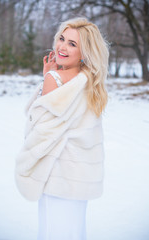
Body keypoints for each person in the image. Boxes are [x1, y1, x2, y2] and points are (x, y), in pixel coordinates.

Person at [15, 17, 109, 240]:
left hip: (56, 175)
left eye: (72, 44)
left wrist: (47, 77)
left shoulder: (55, 78)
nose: (62, 47)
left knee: (52, 233)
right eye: (62, 39)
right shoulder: (90, 81)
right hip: (81, 178)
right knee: (75, 232)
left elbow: (39, 129)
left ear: (84, 52)